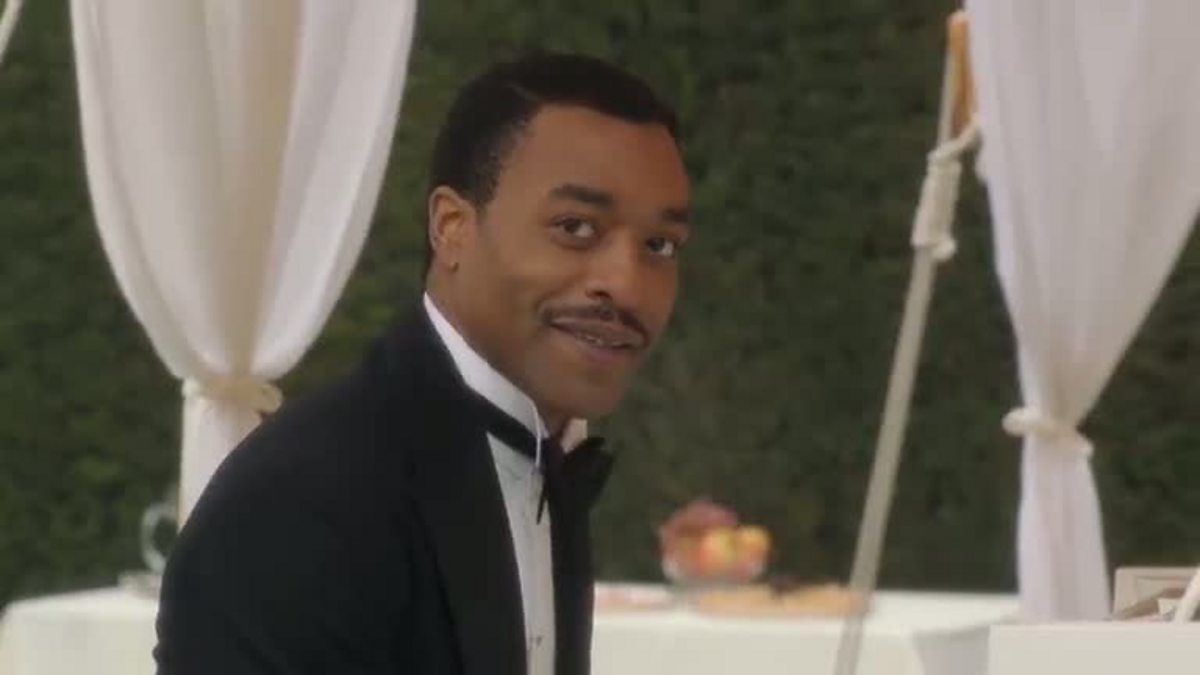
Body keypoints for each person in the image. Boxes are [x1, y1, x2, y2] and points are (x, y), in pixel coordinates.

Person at [153, 52, 691, 675]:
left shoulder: (542, 457)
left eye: (659, 245)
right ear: (452, 227)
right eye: (575, 227)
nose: (627, 285)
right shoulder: (303, 501)